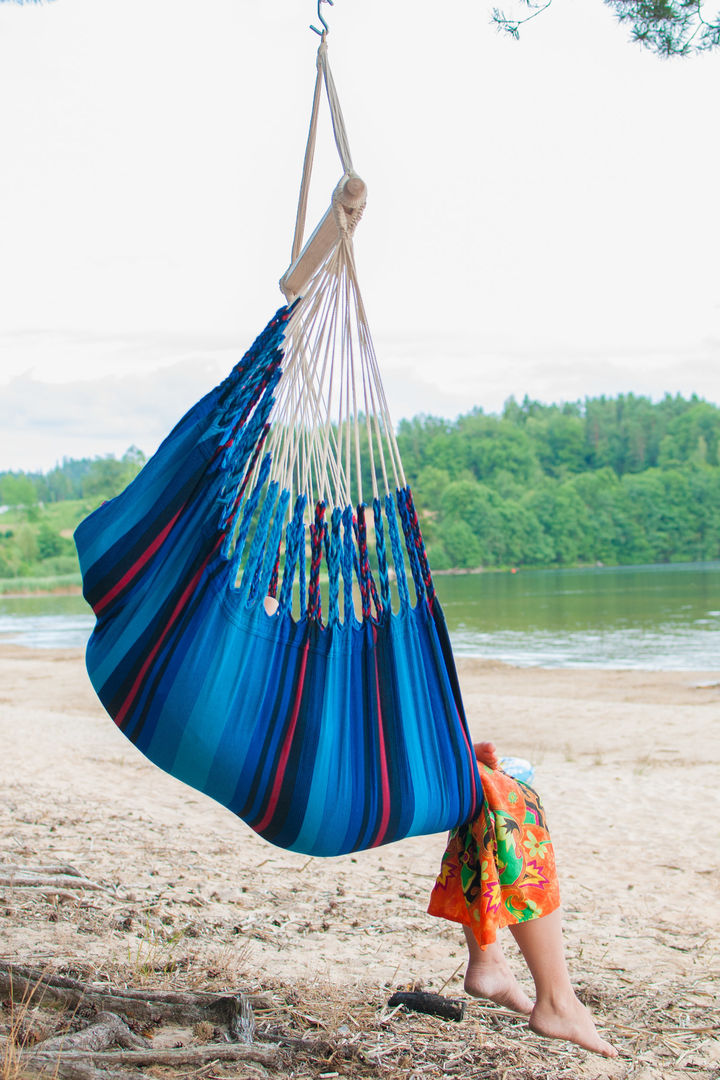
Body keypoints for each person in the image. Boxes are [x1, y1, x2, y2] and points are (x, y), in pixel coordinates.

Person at [428, 741, 618, 1059]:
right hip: (362, 786)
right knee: (512, 796)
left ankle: (489, 961)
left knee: (481, 786)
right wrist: (448, 752)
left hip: (344, 776)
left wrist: (452, 749)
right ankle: (557, 1001)